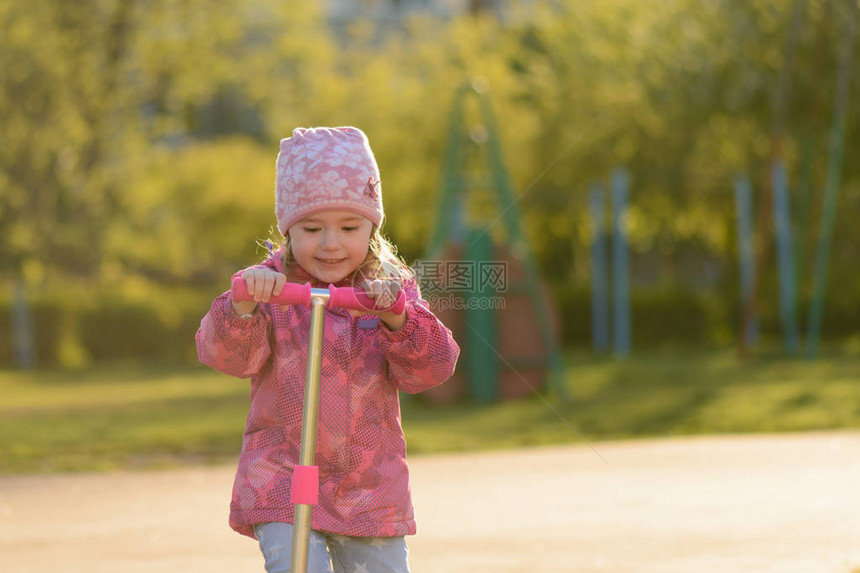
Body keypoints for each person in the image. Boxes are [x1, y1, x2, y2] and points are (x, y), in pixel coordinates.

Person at [196, 126, 460, 573]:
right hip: (283, 478)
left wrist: (399, 317)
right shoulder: (270, 287)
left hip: (369, 485)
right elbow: (229, 358)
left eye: (349, 227)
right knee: (297, 566)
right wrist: (242, 306)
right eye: (313, 228)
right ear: (288, 229)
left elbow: (432, 371)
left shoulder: (390, 290)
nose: (331, 242)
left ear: (372, 226)